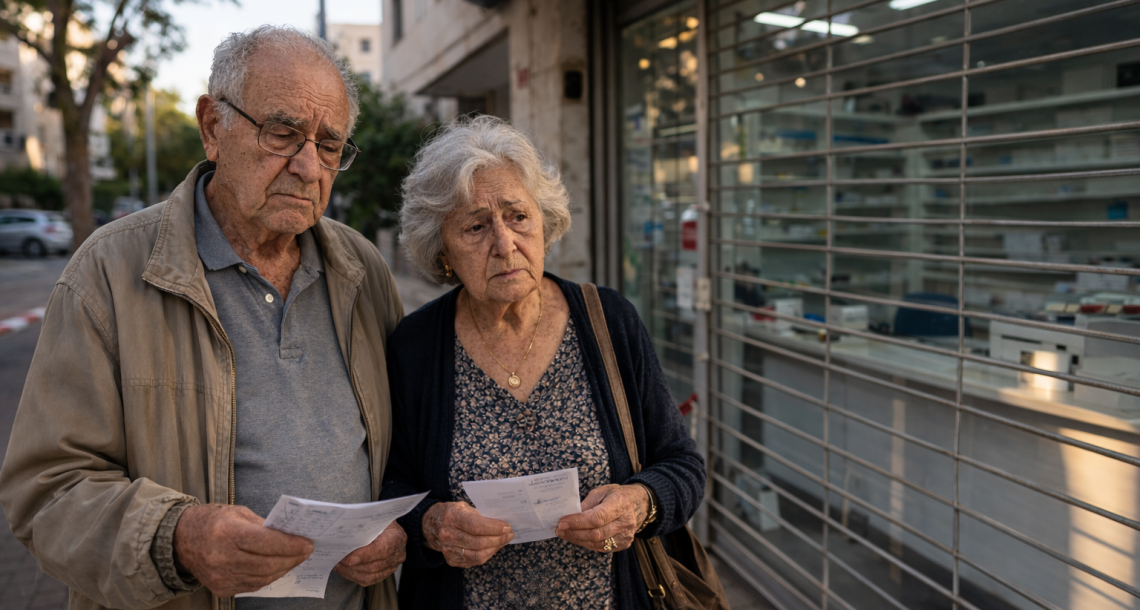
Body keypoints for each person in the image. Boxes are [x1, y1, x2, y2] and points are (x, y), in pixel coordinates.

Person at [0, 26, 406, 610]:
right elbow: (45, 492)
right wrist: (178, 540)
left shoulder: (362, 270)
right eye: (284, 132)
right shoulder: (109, 273)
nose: (309, 166)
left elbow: (405, 446)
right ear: (213, 126)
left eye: (330, 145)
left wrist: (397, 529)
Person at [381, 115, 707, 609]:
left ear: (544, 221)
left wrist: (640, 504)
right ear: (442, 248)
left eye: (517, 216)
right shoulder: (417, 345)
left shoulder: (609, 321)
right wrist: (430, 526)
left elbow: (683, 466)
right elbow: (389, 487)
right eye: (475, 226)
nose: (504, 244)